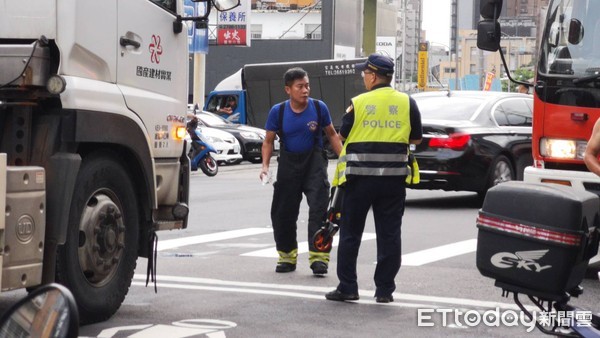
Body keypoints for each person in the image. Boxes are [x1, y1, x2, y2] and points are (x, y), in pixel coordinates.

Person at [325, 53, 422, 303]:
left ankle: (348, 287)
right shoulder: (407, 102)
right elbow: (416, 139)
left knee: (350, 234)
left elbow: (344, 135)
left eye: (364, 74)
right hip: (393, 181)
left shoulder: (358, 103)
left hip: (358, 181)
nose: (363, 78)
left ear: (373, 75)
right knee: (389, 235)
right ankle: (385, 290)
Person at [260, 67, 343, 275]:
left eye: (307, 85)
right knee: (283, 212)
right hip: (288, 166)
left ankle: (319, 259)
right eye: (300, 86)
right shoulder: (277, 112)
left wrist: (345, 160)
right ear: (288, 89)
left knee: (319, 211)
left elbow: (332, 135)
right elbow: (268, 142)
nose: (305, 90)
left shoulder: (318, 107)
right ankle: (287, 256)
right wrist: (265, 167)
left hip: (314, 165)